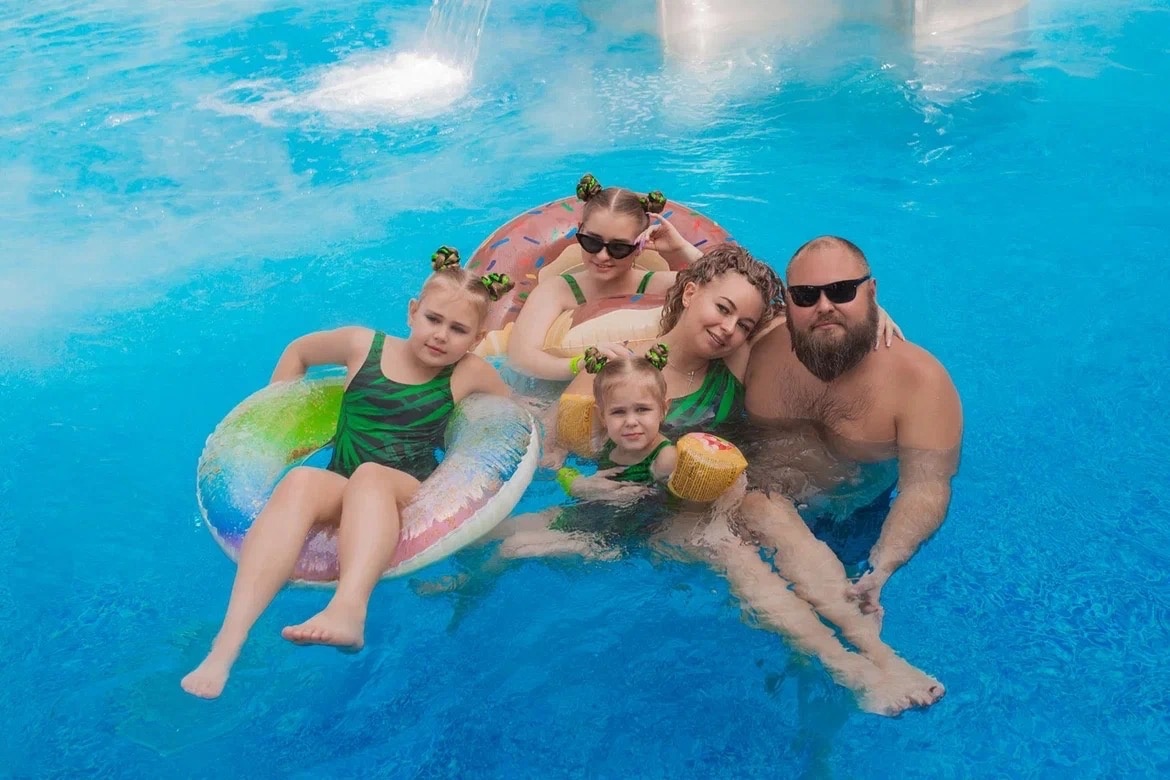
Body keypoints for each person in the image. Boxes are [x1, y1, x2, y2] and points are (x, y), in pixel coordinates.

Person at [181, 248, 516, 700]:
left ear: (477, 339)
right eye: (433, 319)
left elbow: (507, 419)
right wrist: (277, 415)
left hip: (406, 489)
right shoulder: (363, 346)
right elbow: (299, 351)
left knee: (372, 475)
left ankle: (348, 610)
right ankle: (227, 644)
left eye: (458, 330)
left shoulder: (470, 372)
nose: (440, 335)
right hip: (343, 480)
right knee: (300, 481)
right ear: (412, 312)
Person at [709, 235, 963, 714]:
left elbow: (926, 486)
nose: (824, 306)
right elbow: (695, 289)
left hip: (850, 520)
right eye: (807, 295)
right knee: (752, 515)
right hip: (755, 503)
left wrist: (883, 565)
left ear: (872, 292)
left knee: (811, 671)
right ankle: (865, 669)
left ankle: (849, 688)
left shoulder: (919, 382)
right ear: (787, 302)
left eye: (842, 291)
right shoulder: (755, 341)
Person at [494, 346, 679, 560]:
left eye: (642, 409)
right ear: (602, 416)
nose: (630, 421)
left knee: (510, 547)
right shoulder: (609, 441)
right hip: (584, 514)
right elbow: (561, 470)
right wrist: (575, 482)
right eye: (618, 412)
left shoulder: (664, 457)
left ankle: (469, 580)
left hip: (606, 542)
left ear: (664, 409)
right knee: (498, 528)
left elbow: (670, 509)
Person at [507, 174, 689, 380]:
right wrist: (581, 364)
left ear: (640, 246)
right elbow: (520, 358)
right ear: (579, 230)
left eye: (618, 247)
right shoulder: (556, 291)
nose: (602, 256)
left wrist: (682, 248)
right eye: (592, 242)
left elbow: (719, 290)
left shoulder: (662, 285)